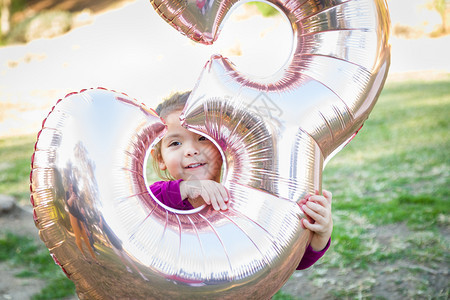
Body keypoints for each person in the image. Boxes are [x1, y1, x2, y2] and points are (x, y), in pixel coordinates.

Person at [149, 91, 333, 270]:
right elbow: (145, 200)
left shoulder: (244, 198)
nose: (191, 150)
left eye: (202, 138)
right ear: (160, 159)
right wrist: (185, 189)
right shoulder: (160, 197)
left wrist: (319, 236)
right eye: (175, 143)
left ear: (224, 144)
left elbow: (285, 261)